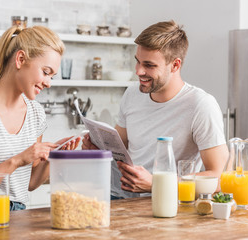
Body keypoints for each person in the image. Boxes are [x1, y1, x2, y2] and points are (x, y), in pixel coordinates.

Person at [82, 20, 229, 199]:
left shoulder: (201, 105)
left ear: (175, 65)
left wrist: (155, 184)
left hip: (168, 206)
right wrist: (98, 150)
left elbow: (218, 177)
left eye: (149, 65)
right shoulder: (132, 94)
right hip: (122, 201)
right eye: (138, 62)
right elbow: (120, 146)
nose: (139, 71)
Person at [0, 25, 79, 216]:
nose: (48, 83)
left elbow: (30, 183)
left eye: (52, 76)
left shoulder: (36, 114)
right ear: (20, 59)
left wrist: (53, 157)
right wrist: (18, 160)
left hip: (18, 218)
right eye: (45, 72)